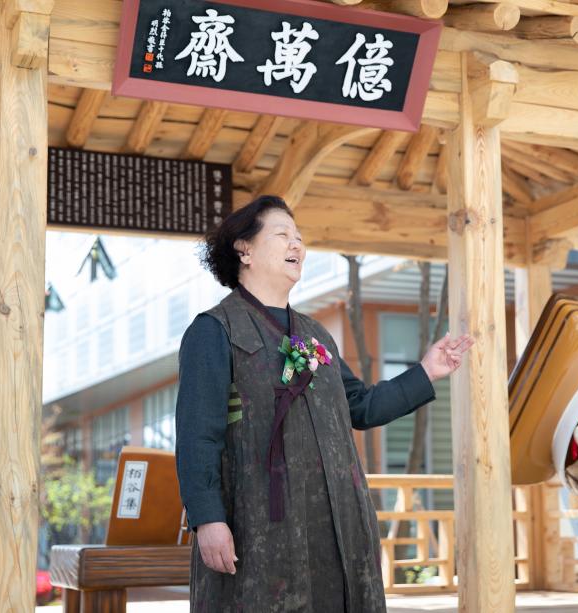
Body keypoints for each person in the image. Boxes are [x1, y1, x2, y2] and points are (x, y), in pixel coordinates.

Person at [175, 195, 473, 612]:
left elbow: (361, 407)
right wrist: (207, 518)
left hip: (337, 527)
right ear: (244, 250)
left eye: (299, 237)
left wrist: (426, 370)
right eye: (282, 234)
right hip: (256, 529)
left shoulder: (315, 335)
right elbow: (197, 437)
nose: (296, 244)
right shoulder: (214, 331)